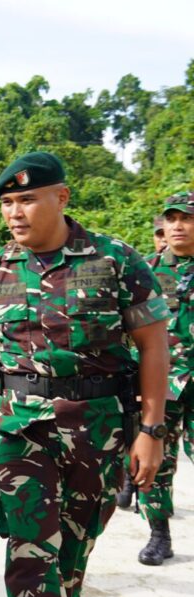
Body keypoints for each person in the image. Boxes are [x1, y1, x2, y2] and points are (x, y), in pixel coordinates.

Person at [0, 151, 169, 597]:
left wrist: (151, 429)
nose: (15, 213)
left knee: (73, 548)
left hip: (99, 428)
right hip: (20, 429)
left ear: (61, 198)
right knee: (29, 549)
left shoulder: (115, 259)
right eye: (7, 203)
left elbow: (152, 346)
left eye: (26, 199)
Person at [130, 192, 194, 565]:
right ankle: (159, 534)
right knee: (156, 461)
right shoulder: (147, 271)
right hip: (163, 386)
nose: (177, 226)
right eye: (171, 219)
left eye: (185, 218)